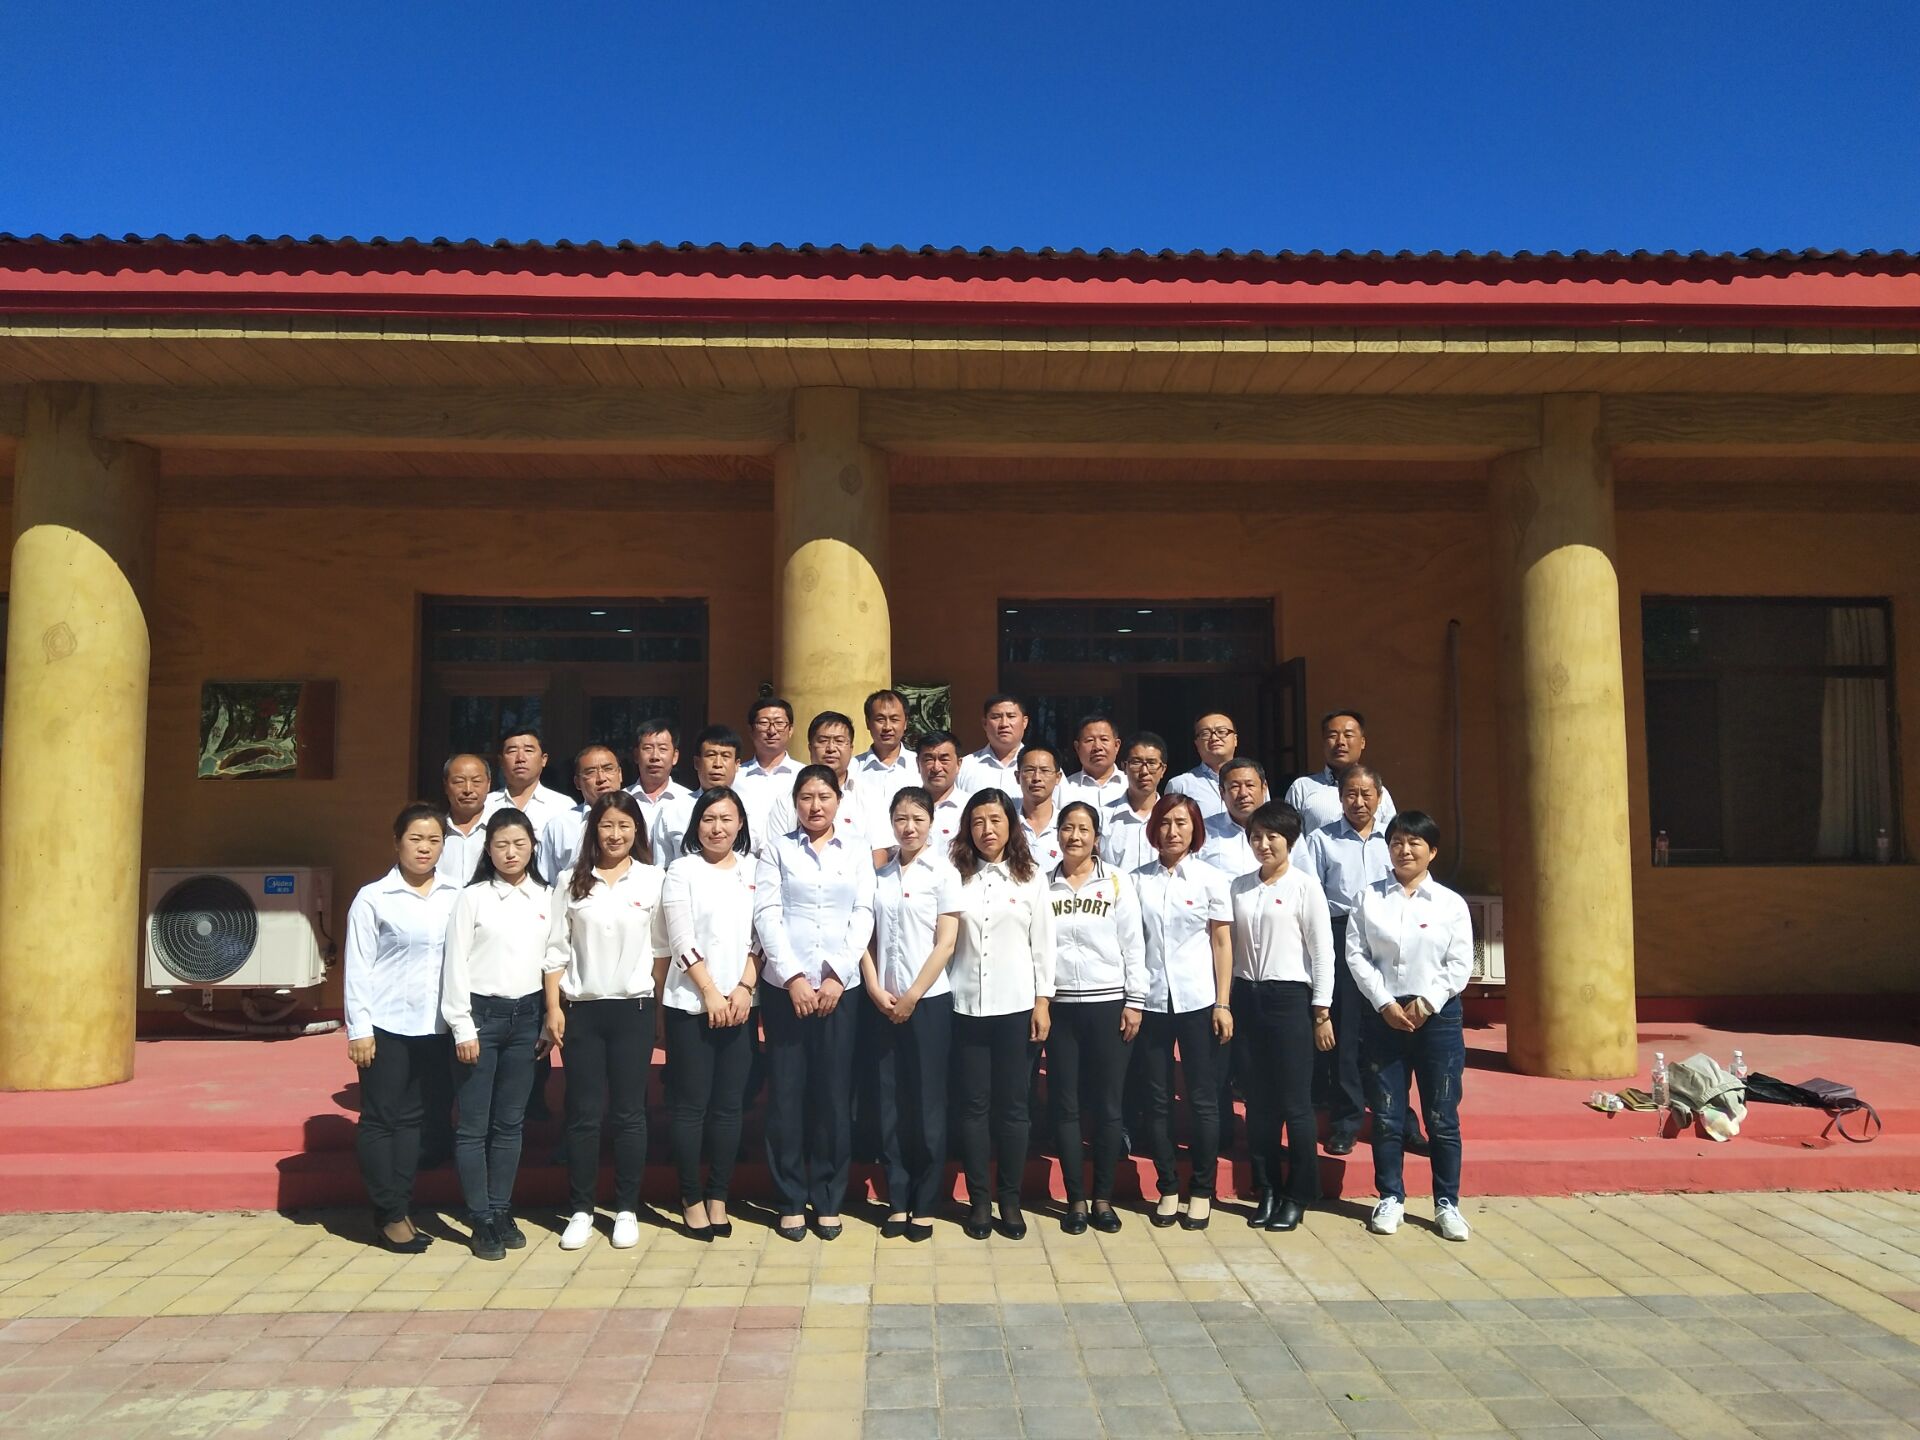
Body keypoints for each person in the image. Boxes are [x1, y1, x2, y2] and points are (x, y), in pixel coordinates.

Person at [753, 765, 874, 1241]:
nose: (815, 805)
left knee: (833, 1095)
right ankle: (788, 1198)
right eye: (806, 797)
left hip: (839, 991)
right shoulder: (777, 850)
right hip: (787, 990)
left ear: (838, 801)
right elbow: (767, 913)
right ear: (795, 803)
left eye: (824, 796)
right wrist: (794, 977)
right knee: (786, 1094)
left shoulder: (857, 849)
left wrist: (837, 975)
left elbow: (863, 913)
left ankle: (827, 1197)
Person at [545, 791, 667, 1252]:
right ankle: (581, 1208)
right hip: (583, 1010)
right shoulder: (571, 881)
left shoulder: (653, 880)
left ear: (637, 831)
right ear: (593, 830)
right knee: (583, 1113)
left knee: (630, 1113)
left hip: (633, 1008)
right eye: (607, 825)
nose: (615, 835)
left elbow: (661, 951)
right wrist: (553, 1007)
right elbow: (555, 950)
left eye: (624, 826)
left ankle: (626, 1208)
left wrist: (658, 1010)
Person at [1346, 811, 1473, 1242]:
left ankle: (1447, 1203)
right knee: (1387, 1115)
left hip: (1437, 1018)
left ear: (1432, 851)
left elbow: (1459, 963)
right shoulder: (1369, 898)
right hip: (1384, 1017)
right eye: (1397, 842)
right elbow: (1356, 955)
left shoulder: (1450, 904)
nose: (1405, 850)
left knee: (1442, 1116)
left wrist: (1428, 1002)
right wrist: (1383, 1002)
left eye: (1415, 843)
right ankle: (1390, 1197)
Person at [442, 808, 561, 1260]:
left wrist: (548, 1016)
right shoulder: (472, 898)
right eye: (501, 845)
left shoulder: (546, 896)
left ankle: (500, 1209)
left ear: (532, 847)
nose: (511, 853)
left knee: (510, 1123)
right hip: (480, 1017)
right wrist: (461, 1026)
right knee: (474, 1125)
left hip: (527, 1018)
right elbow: (455, 964)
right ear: (488, 850)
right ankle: (479, 1218)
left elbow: (554, 957)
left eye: (519, 844)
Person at [345, 802, 461, 1252]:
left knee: (414, 1119)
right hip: (386, 1023)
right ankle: (388, 1214)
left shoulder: (455, 894)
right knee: (381, 1118)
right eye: (415, 839)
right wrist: (359, 1028)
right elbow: (358, 967)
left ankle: (402, 1206)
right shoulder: (373, 898)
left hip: (435, 1025)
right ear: (397, 843)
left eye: (434, 840)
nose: (424, 848)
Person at [1299, 764, 1425, 1158]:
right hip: (1340, 933)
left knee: (1392, 1030)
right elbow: (1312, 897)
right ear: (1339, 798)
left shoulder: (1395, 840)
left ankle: (1402, 1120)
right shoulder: (1320, 840)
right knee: (1348, 1033)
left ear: (1380, 797)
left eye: (1366, 794)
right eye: (1351, 794)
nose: (1358, 801)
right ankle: (1347, 1120)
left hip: (1388, 936)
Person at [946, 787, 1055, 1240]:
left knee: (1013, 1107)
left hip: (1016, 1006)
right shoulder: (955, 875)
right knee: (972, 1107)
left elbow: (1043, 944)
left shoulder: (1031, 878)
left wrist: (1043, 1001)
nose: (987, 830)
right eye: (978, 822)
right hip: (964, 1005)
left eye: (995, 820)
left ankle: (1009, 1199)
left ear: (1011, 825)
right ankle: (978, 1201)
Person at [1229, 801, 1334, 1234]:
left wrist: (1321, 1010)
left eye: (1272, 836)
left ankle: (1299, 1193)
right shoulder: (1238, 887)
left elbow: (1322, 952)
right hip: (1246, 998)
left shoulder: (1305, 887)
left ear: (1289, 841)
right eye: (1256, 836)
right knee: (1258, 1104)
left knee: (1295, 1104)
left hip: (1289, 999)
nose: (1263, 844)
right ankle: (1268, 1188)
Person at [862, 785, 961, 1241]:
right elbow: (864, 938)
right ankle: (897, 1199)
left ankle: (925, 1201)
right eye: (901, 818)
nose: (909, 827)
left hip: (929, 1002)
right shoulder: (878, 876)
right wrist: (874, 986)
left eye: (918, 818)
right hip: (882, 1001)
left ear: (932, 823)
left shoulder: (944, 874)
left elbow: (946, 943)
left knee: (927, 1101)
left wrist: (913, 996)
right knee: (889, 1102)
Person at [660, 786, 759, 1239]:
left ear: (740, 824)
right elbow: (681, 937)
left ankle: (719, 1194)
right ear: (696, 824)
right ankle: (690, 1197)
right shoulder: (682, 870)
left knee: (729, 1107)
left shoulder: (755, 870)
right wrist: (710, 993)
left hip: (741, 1003)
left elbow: (762, 936)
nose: (717, 828)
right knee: (690, 1106)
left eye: (726, 819)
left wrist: (743, 988)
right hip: (691, 1003)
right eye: (708, 819)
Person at [1132, 793, 1233, 1230]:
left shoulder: (1211, 879)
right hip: (1151, 1001)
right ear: (1154, 828)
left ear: (1195, 829)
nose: (1173, 831)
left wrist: (1223, 1002)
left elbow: (1222, 944)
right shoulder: (1136, 881)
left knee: (1202, 1097)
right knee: (1155, 1100)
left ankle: (1203, 1189)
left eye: (1182, 823)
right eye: (1165, 823)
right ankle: (1168, 1185)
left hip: (1198, 1001)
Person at [1046, 801, 1145, 1234]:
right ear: (1057, 835)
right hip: (1060, 1006)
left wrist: (1135, 1000)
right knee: (1065, 1105)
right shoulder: (1043, 884)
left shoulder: (1117, 882)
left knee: (1108, 1105)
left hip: (1108, 1003)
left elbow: (1134, 944)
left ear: (1096, 838)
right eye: (1067, 828)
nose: (1074, 836)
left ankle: (1103, 1198)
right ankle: (1076, 1201)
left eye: (1083, 829)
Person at [761, 711, 874, 852]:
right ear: (810, 748)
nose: (831, 748)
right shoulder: (786, 800)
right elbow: (775, 851)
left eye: (839, 741)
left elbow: (878, 851)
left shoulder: (869, 796)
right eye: (823, 741)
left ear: (851, 748)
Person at [1284, 710, 1398, 835]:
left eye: (1348, 735)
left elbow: (1392, 838)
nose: (1340, 742)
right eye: (1332, 736)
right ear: (1323, 743)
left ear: (1362, 743)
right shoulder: (1302, 788)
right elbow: (1290, 840)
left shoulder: (1378, 792)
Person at [652, 725, 744, 868]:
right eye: (710, 755)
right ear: (697, 762)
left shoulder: (751, 810)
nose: (717, 764)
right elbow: (661, 867)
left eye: (725, 756)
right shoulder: (672, 810)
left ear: (737, 764)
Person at [536, 744, 625, 882]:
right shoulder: (560, 826)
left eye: (608, 769)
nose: (601, 778)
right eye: (590, 772)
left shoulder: (639, 816)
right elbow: (548, 880)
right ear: (577, 782)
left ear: (619, 774)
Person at [483, 728, 574, 836]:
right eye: (512, 751)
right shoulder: (485, 804)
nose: (520, 758)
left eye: (528, 750)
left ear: (543, 759)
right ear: (501, 761)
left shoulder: (562, 806)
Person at [735, 696, 801, 844]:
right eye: (763, 723)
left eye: (779, 723)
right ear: (751, 730)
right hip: (744, 855)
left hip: (789, 853)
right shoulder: (736, 776)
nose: (772, 730)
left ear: (790, 730)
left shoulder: (803, 776)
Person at [1101, 731, 1169, 876]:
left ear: (1163, 769)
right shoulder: (1104, 817)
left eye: (1151, 763)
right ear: (1124, 767)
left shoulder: (1172, 817)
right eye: (1136, 762)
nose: (1144, 771)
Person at [855, 688, 920, 817]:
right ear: (868, 723)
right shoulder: (853, 768)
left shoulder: (920, 766)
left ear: (905, 723)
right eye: (880, 719)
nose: (887, 727)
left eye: (894, 719)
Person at [1202, 757, 1270, 879]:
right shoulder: (1204, 831)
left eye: (1250, 785)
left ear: (1264, 788)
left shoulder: (1284, 829)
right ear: (1222, 793)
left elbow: (1302, 875)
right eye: (1235, 787)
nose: (1243, 793)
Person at [1166, 712, 1240, 822]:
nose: (1214, 738)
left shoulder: (1254, 782)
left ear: (1235, 739)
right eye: (1205, 733)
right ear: (1196, 743)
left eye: (1221, 732)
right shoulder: (1180, 785)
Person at [627, 719, 694, 836]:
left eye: (662, 749)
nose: (655, 756)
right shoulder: (622, 800)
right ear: (636, 755)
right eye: (648, 748)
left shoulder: (691, 801)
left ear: (675, 757)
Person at [958, 693, 1029, 799]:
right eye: (996, 717)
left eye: (1011, 716)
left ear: (1024, 722)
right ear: (984, 723)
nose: (1004, 724)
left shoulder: (1044, 768)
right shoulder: (964, 767)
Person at [437, 753, 493, 886]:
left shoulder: (499, 830)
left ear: (488, 784)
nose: (468, 789)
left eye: (476, 781)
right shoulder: (435, 831)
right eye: (459, 782)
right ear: (446, 786)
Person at [912, 730, 970, 854]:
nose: (936, 768)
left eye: (944, 760)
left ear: (958, 764)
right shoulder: (905, 807)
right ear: (918, 764)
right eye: (929, 759)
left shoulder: (970, 807)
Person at [1062, 713, 1127, 809]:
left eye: (1104, 739)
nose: (1097, 747)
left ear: (1116, 745)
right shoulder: (1066, 787)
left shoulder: (1131, 785)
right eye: (1089, 740)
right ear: (1077, 747)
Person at [1015, 743, 1064, 869]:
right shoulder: (1008, 824)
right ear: (1017, 776)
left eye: (1045, 770)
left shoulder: (1067, 826)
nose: (1036, 778)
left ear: (1058, 777)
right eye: (1029, 770)